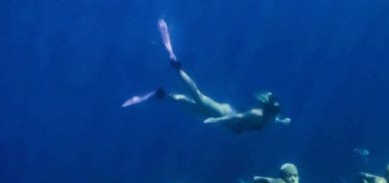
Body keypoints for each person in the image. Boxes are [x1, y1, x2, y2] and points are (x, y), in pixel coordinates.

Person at [124, 19, 291, 133]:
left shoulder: (268, 115)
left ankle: (158, 94)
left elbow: (269, 117)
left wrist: (281, 121)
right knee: (197, 96)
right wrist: (215, 121)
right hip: (221, 113)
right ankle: (176, 66)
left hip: (224, 117)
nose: (276, 111)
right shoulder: (258, 114)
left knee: (185, 101)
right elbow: (237, 116)